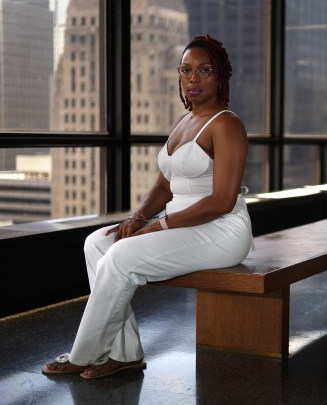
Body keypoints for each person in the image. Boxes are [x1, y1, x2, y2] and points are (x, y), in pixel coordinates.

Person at [42, 35, 253, 379]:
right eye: (186, 70)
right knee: (98, 242)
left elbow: (222, 200)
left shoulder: (227, 124)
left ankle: (84, 354)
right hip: (181, 223)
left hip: (221, 229)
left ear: (220, 76)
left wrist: (159, 225)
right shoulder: (183, 123)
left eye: (204, 70)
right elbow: (163, 184)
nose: (194, 79)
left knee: (122, 258)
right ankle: (124, 353)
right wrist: (138, 217)